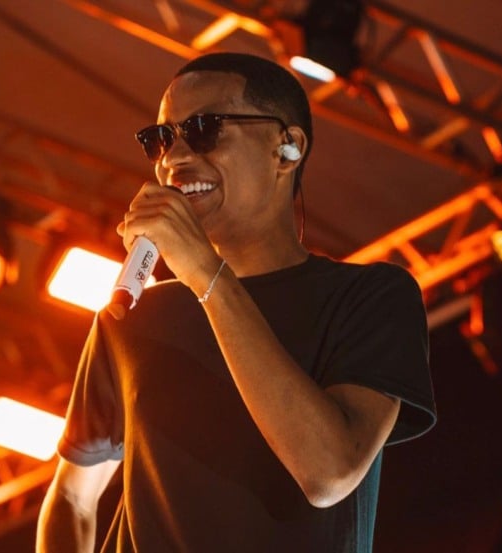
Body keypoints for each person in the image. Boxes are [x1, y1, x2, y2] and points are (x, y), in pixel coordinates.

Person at [36, 52, 436, 553]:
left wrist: (206, 274)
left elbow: (329, 472)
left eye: (204, 129)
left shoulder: (371, 297)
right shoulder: (134, 318)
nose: (174, 158)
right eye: (160, 139)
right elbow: (72, 497)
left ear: (287, 148)